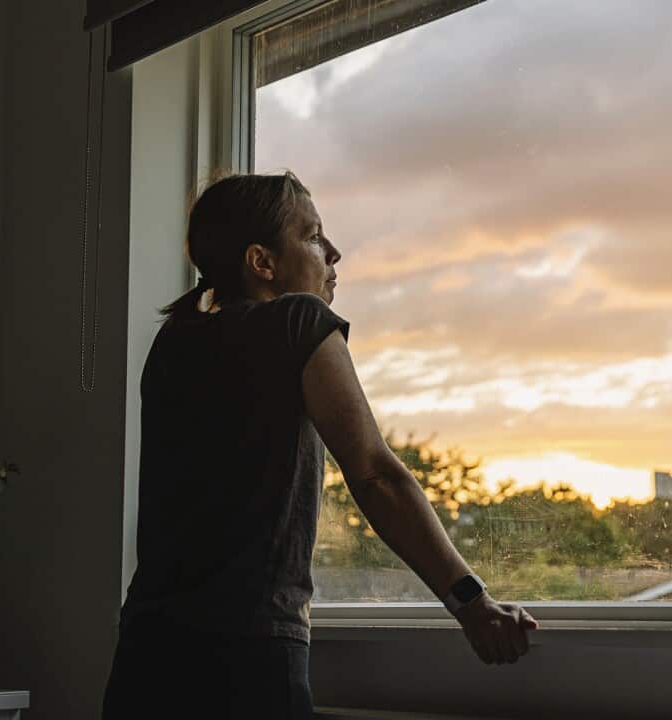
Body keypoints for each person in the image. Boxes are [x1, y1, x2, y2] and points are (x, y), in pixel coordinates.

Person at [101, 172, 537, 719]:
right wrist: (472, 604)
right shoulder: (297, 320)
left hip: (146, 654)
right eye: (312, 236)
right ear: (262, 262)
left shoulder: (173, 341)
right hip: (246, 655)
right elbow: (375, 475)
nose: (333, 253)